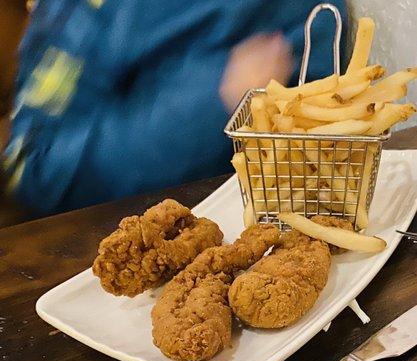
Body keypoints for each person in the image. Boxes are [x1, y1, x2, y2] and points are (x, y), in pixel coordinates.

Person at [2, 0, 347, 217]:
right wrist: (214, 103)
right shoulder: (79, 14)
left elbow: (319, 48)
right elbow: (35, 168)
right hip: (114, 245)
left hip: (287, 214)